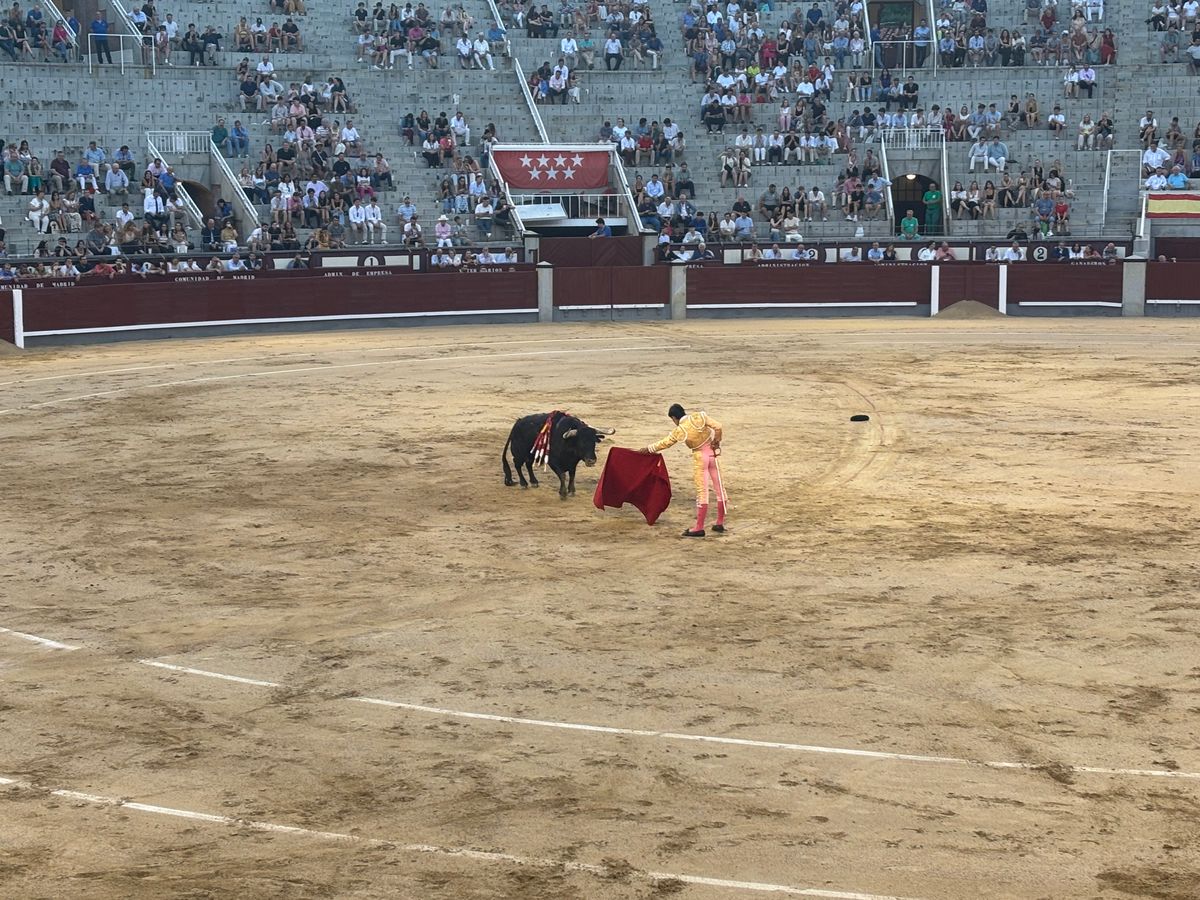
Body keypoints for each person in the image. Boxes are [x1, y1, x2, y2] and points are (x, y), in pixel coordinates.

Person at [638, 404, 727, 537]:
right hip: (712, 455)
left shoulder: (680, 430)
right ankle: (719, 523)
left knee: (702, 492)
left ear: (674, 418)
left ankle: (699, 527)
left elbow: (665, 443)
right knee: (720, 489)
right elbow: (718, 427)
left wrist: (649, 449)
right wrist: (716, 441)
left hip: (700, 458)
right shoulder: (698, 416)